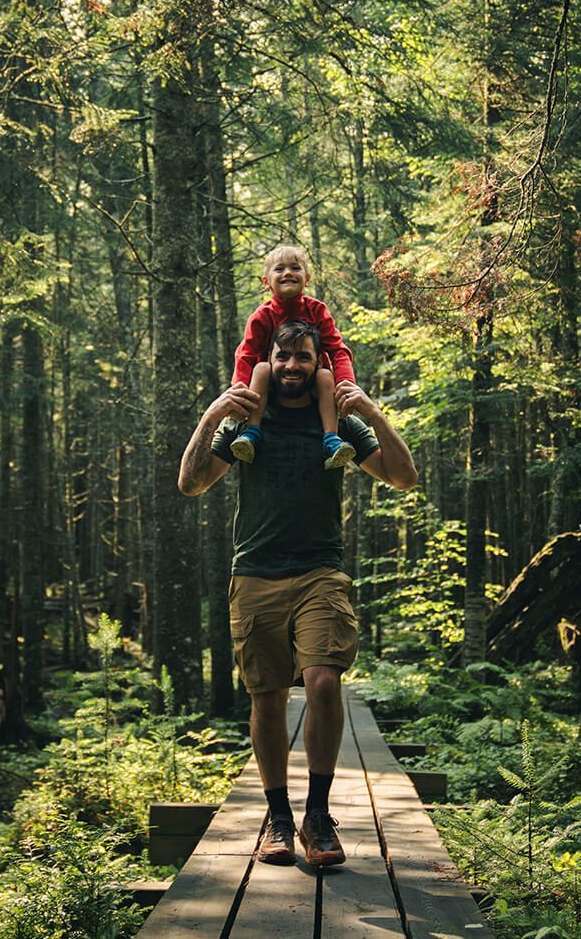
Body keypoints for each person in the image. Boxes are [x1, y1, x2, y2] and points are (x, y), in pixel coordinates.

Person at [178, 318, 417, 868]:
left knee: (323, 681)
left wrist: (373, 412)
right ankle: (278, 818)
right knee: (266, 697)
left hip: (319, 572)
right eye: (282, 358)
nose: (291, 367)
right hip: (255, 572)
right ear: (270, 360)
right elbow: (191, 483)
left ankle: (317, 814)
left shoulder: (337, 419)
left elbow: (403, 477)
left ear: (318, 363)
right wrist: (214, 412)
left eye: (302, 358)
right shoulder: (243, 421)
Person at [227, 245, 357, 470]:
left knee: (325, 374)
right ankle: (251, 433)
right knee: (261, 369)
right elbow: (246, 355)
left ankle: (331, 440)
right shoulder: (262, 316)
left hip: (309, 384)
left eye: (295, 267)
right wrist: (238, 395)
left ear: (306, 279)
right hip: (270, 384)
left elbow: (337, 350)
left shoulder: (317, 310)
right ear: (266, 282)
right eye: (279, 269)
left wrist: (346, 385)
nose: (287, 272)